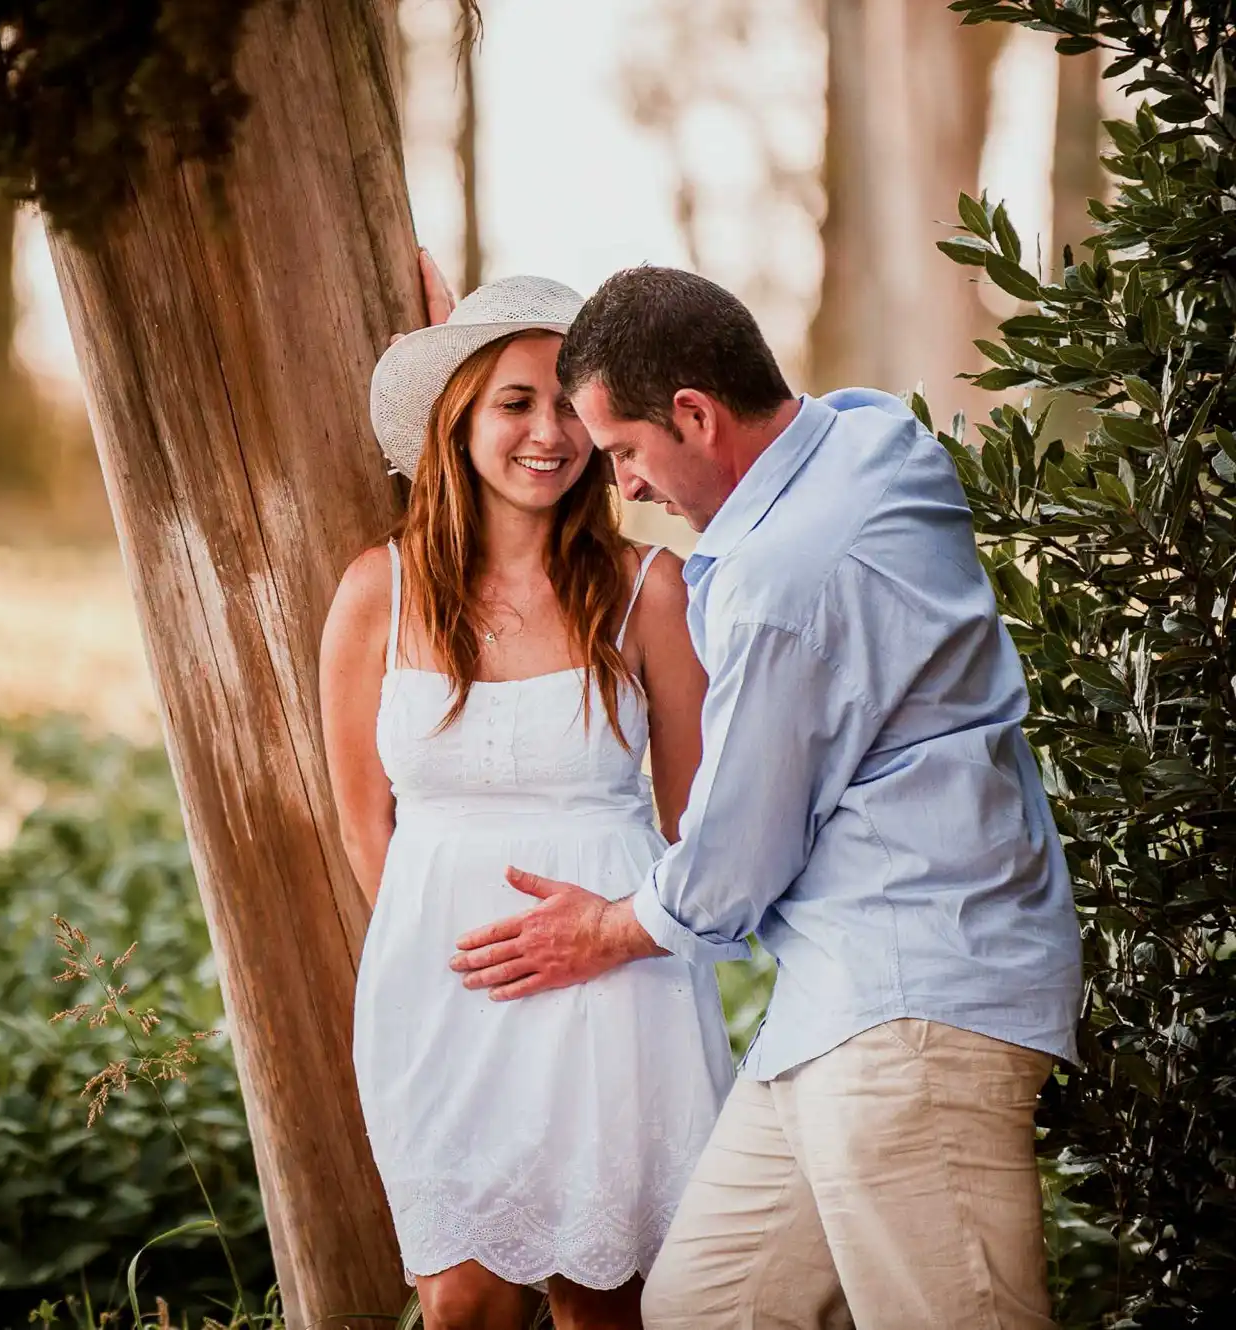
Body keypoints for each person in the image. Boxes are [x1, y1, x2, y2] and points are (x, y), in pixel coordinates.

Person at [448, 265, 1083, 1329]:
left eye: (623, 452)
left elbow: (734, 856)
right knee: (708, 1305)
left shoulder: (782, 584)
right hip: (827, 1005)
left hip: (907, 1001)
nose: (623, 487)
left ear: (694, 415)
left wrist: (602, 928)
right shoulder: (870, 440)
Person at [318, 267, 733, 1330]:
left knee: (604, 1297)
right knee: (462, 1302)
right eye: (513, 400)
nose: (545, 431)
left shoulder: (649, 590)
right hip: (445, 989)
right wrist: (437, 949)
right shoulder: (379, 589)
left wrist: (612, 941)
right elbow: (365, 820)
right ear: (457, 418)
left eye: (566, 404)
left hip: (613, 992)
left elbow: (691, 828)